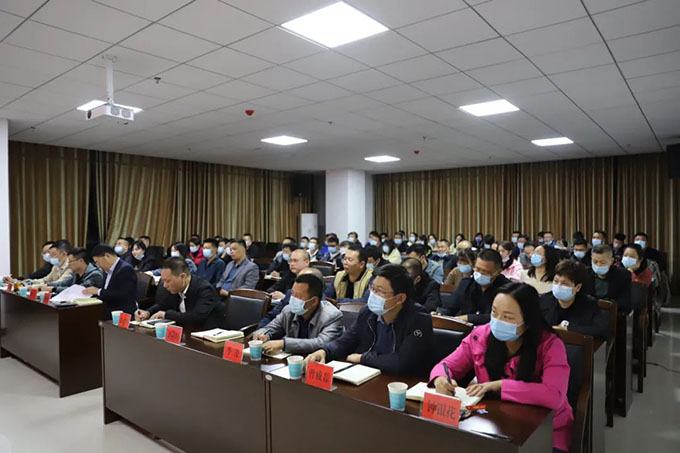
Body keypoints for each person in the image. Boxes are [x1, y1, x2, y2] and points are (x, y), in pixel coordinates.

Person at [430, 283, 573, 453]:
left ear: (528, 320)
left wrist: (499, 385)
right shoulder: (480, 335)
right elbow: (446, 365)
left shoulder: (550, 344)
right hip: (493, 422)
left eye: (507, 317)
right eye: (494, 312)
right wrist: (440, 379)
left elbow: (554, 395)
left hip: (546, 430)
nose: (498, 321)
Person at [305, 264, 434, 377]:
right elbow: (346, 341)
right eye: (372, 288)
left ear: (400, 298)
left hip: (402, 384)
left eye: (380, 291)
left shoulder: (419, 319)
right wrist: (324, 351)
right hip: (368, 376)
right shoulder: (368, 312)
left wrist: (363, 358)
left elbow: (402, 363)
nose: (373, 295)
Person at [252, 273, 343, 356]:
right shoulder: (288, 310)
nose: (293, 299)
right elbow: (272, 328)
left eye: (298, 296)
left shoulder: (332, 316)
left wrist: (283, 344)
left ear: (314, 301)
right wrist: (262, 334)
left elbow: (321, 343)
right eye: (292, 294)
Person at [136, 258, 223, 330]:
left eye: (168, 281)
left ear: (182, 277)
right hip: (184, 332)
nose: (165, 285)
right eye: (164, 281)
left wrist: (166, 314)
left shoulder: (205, 289)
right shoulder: (177, 288)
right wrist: (148, 312)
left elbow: (196, 317)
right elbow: (162, 305)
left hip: (204, 335)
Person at [539, 260, 608, 340]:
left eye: (564, 283)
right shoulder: (544, 300)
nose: (558, 286)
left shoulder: (589, 304)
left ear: (578, 287)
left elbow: (601, 330)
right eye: (556, 281)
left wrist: (567, 330)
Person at [438, 249, 510, 324]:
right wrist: (439, 314)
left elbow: (501, 317)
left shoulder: (507, 290)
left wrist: (468, 318)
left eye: (485, 272)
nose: (480, 274)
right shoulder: (466, 284)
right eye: (477, 269)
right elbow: (449, 308)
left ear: (498, 272)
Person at [82, 244, 137, 319]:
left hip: (121, 312)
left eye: (97, 262)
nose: (98, 265)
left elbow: (124, 294)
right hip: (108, 308)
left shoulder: (126, 269)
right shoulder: (107, 270)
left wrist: (98, 291)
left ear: (106, 256)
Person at [582, 244, 632, 313]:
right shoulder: (585, 273)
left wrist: (604, 305)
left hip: (613, 313)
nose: (598, 265)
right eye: (595, 261)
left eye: (602, 262)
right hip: (588, 311)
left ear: (611, 261)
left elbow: (624, 302)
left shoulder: (623, 275)